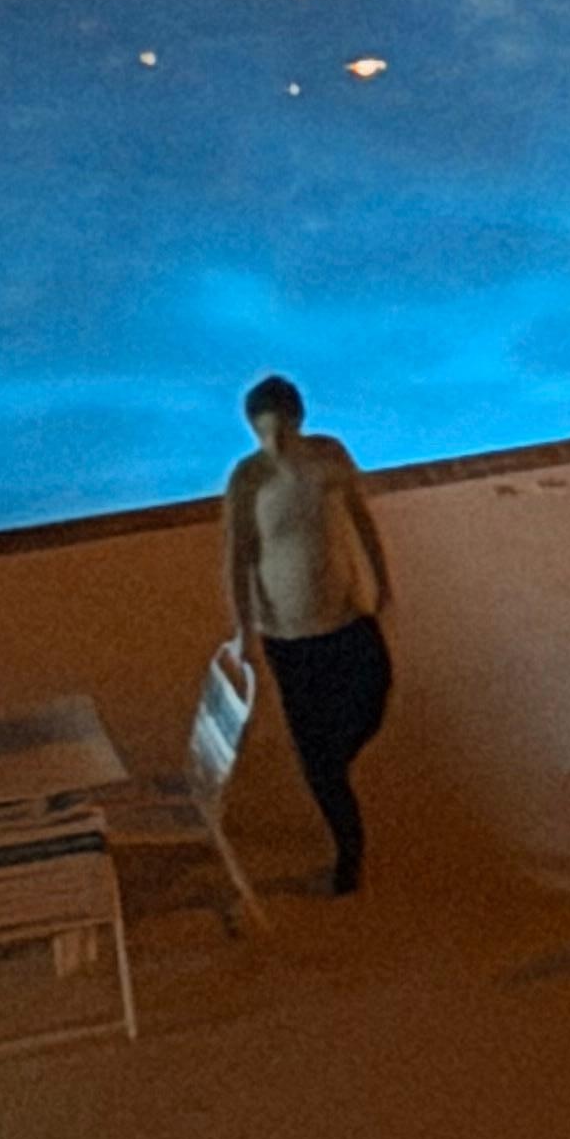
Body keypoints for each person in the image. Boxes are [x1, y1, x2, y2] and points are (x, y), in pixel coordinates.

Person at [222, 373, 394, 895]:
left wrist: (382, 581)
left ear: (297, 422)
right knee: (316, 756)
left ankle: (332, 766)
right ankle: (349, 853)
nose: (272, 444)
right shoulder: (248, 479)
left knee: (373, 699)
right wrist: (243, 629)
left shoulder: (328, 457)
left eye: (280, 432)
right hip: (288, 636)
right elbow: (239, 557)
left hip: (345, 617)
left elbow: (361, 520)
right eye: (262, 434)